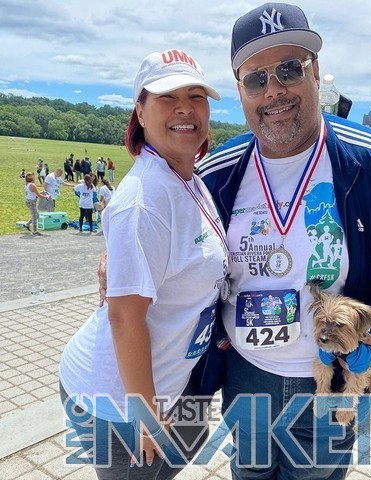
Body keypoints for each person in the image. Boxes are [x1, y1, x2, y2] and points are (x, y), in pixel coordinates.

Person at [194, 3, 371, 479]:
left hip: (334, 380)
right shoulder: (218, 171)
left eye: (289, 69)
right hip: (245, 376)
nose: (274, 90)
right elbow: (169, 231)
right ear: (240, 89)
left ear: (315, 72)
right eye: (256, 78)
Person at [59, 48, 226, 479]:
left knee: (190, 441)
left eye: (196, 96)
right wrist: (147, 417)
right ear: (140, 111)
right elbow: (124, 317)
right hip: (117, 403)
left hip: (168, 384)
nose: (185, 108)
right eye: (168, 97)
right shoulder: (143, 200)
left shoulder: (188, 179)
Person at [23, 172, 50, 237]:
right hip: (31, 202)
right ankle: (35, 231)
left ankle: (27, 225)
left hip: (30, 201)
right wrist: (46, 196)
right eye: (33, 176)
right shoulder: (32, 185)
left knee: (36, 215)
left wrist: (43, 192)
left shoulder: (28, 184)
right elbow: (39, 195)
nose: (34, 177)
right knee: (35, 216)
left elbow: (36, 192)